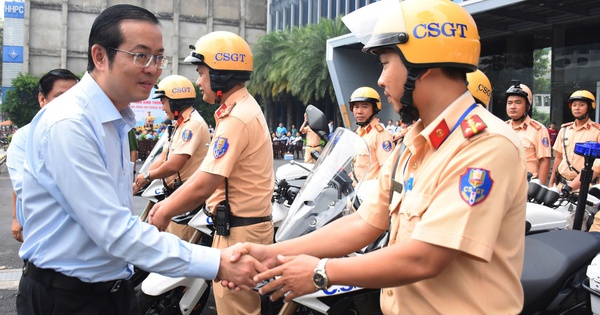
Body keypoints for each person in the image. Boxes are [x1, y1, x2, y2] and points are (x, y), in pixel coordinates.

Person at [229, 0, 527, 313]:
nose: (381, 80)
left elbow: (427, 255)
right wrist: (273, 253)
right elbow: (364, 222)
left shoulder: (485, 145)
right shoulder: (414, 142)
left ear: (422, 64)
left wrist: (322, 272)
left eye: (385, 63)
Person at [16, 6, 262, 315]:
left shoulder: (115, 120)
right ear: (100, 56)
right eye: (141, 55)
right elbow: (114, 231)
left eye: (158, 57)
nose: (153, 68)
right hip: (66, 298)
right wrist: (216, 263)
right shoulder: (70, 124)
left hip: (107, 288)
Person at [148, 30, 274, 315]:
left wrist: (165, 210)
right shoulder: (238, 110)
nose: (197, 81)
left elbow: (206, 182)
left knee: (236, 309)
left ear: (219, 76)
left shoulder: (237, 118)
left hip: (240, 231)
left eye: (201, 73)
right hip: (235, 227)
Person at [133, 74, 211, 241]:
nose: (162, 107)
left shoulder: (192, 125)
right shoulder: (180, 124)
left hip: (186, 197)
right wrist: (142, 179)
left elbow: (174, 164)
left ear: (175, 101)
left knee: (179, 247)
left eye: (163, 102)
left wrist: (147, 176)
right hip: (173, 194)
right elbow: (163, 157)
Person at [7, 69, 79, 243]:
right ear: (42, 99)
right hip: (44, 236)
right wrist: (16, 218)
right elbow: (24, 187)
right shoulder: (24, 138)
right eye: (60, 97)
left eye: (76, 97)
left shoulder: (85, 136)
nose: (69, 104)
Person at [549, 90, 600, 195]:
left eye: (581, 105)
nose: (577, 108)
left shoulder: (597, 131)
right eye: (574, 105)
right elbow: (559, 157)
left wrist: (571, 187)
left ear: (589, 107)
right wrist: (551, 183)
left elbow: (597, 167)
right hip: (561, 185)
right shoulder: (564, 129)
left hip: (585, 188)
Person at [505, 82, 551, 184]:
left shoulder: (538, 130)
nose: (512, 106)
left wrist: (539, 190)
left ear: (527, 106)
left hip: (527, 185)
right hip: (505, 183)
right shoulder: (502, 127)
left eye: (518, 102)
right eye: (509, 103)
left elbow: (545, 161)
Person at [350, 86, 394, 181]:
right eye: (356, 107)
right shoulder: (359, 133)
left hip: (369, 192)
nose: (359, 111)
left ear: (375, 109)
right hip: (355, 190)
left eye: (365, 107)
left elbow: (387, 170)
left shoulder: (381, 134)